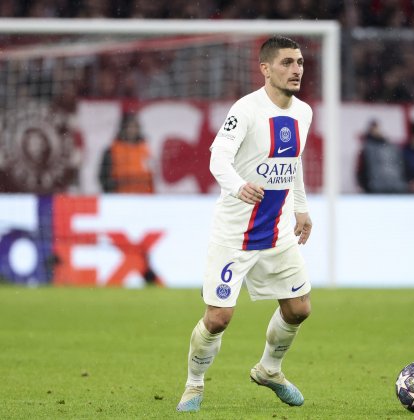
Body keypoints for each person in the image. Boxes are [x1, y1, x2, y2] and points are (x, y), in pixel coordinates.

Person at [176, 36, 314, 413]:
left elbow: (294, 163)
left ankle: (269, 370)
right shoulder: (246, 109)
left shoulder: (303, 112)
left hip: (277, 232)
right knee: (219, 318)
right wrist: (239, 186)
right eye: (287, 62)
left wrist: (301, 208)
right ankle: (194, 384)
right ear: (266, 69)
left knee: (299, 308)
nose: (297, 69)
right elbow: (217, 157)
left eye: (300, 62)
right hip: (235, 234)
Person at [98, 113, 154, 193]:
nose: (132, 130)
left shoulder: (146, 150)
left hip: (144, 198)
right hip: (121, 198)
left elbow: (152, 177)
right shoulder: (111, 151)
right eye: (130, 127)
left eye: (135, 127)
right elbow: (104, 178)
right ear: (123, 129)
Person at [356, 119, 407, 193]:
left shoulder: (391, 147)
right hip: (375, 188)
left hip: (395, 186)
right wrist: (365, 185)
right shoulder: (366, 148)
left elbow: (400, 164)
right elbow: (360, 168)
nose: (376, 131)